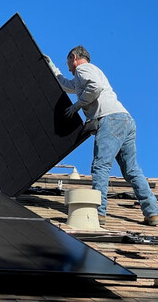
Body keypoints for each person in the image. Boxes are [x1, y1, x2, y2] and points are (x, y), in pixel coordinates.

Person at [45, 45, 158, 226]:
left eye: (68, 63)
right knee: (132, 170)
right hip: (125, 120)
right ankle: (152, 212)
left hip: (110, 120)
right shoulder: (88, 73)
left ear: (74, 57)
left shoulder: (83, 69)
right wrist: (52, 67)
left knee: (100, 166)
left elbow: (94, 87)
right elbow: (67, 85)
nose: (69, 68)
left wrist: (78, 105)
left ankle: (98, 213)